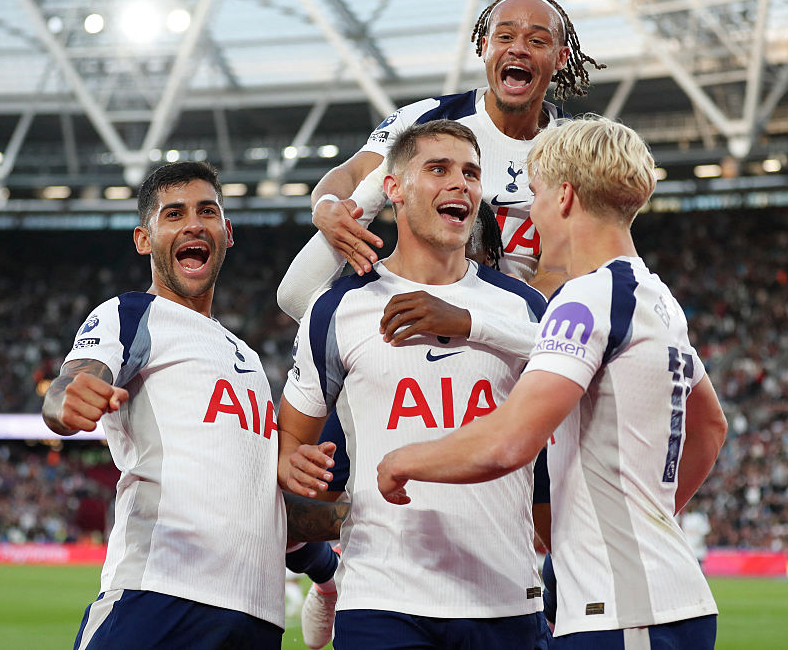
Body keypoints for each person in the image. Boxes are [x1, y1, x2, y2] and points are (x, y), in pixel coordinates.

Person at [377, 116, 729, 648]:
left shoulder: (587, 297)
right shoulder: (655, 297)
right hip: (666, 597)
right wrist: (643, 521)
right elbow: (711, 426)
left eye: (536, 195)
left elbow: (511, 441)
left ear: (564, 197)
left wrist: (403, 461)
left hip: (619, 610)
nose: (532, 215)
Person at [41, 161, 346, 650]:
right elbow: (74, 383)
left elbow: (259, 499)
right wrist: (66, 399)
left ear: (227, 232)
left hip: (256, 617)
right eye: (173, 214)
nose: (193, 224)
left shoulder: (245, 356)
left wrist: (329, 569)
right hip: (158, 596)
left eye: (207, 211)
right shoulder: (131, 314)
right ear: (145, 239)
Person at [278, 120, 551, 649]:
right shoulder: (338, 307)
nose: (461, 183)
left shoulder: (522, 307)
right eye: (439, 169)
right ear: (394, 189)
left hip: (505, 599)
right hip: (383, 602)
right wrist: (290, 459)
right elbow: (292, 439)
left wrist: (467, 322)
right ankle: (322, 577)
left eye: (471, 173)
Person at [276, 0, 604, 321]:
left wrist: (492, 318)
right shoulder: (425, 120)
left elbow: (566, 270)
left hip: (517, 331)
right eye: (505, 36)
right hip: (426, 303)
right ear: (484, 46)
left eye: (536, 41)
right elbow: (354, 175)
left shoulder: (578, 150)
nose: (518, 48)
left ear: (561, 57)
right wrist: (326, 206)